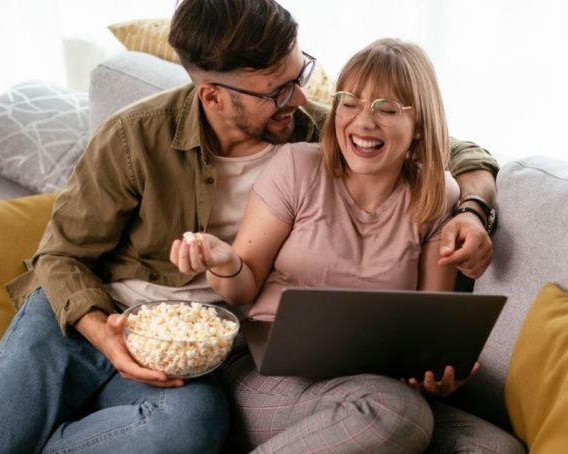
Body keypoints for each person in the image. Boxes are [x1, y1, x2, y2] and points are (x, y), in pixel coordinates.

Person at [0, 0, 501, 453]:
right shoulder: (135, 139)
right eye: (273, 91)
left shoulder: (309, 132)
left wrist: (472, 209)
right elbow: (59, 257)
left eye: (299, 75)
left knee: (193, 427)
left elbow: (446, 144)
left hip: (196, 352)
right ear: (212, 94)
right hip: (85, 322)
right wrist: (108, 337)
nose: (295, 98)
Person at [171, 37, 523, 453]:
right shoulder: (296, 168)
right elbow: (242, 287)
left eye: (387, 109)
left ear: (421, 126)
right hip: (268, 376)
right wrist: (225, 260)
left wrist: (438, 375)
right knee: (398, 412)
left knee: (494, 448)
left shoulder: (437, 195)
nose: (363, 123)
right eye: (350, 102)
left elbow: (430, 333)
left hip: (376, 386)